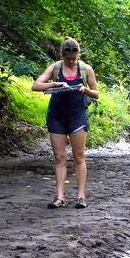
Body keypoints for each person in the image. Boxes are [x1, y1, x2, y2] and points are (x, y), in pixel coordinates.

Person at [32, 37, 99, 209]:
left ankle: (81, 197)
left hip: (77, 115)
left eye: (73, 59)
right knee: (59, 157)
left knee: (79, 156)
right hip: (57, 116)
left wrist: (85, 90)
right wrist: (54, 83)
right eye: (67, 59)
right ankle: (59, 197)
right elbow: (36, 86)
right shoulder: (55, 67)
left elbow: (96, 94)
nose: (70, 62)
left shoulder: (86, 69)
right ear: (62, 55)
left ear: (77, 55)